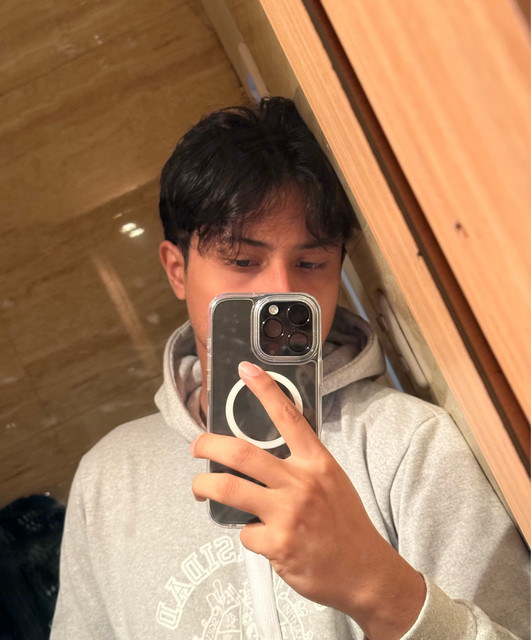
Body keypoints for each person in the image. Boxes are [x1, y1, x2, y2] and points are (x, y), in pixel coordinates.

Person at [51, 97, 529, 640]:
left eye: (310, 263)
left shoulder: (410, 445)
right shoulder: (109, 478)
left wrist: (380, 589)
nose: (280, 292)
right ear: (177, 271)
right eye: (241, 260)